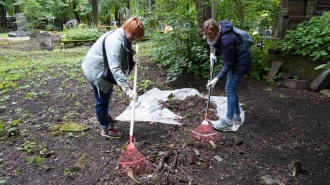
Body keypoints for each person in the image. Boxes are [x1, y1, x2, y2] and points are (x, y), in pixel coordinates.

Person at [81, 17, 145, 138]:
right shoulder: (115, 40)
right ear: (126, 28)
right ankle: (105, 129)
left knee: (107, 92)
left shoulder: (122, 36)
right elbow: (114, 68)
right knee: (101, 99)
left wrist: (132, 60)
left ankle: (104, 115)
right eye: (133, 34)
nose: (135, 38)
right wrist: (127, 90)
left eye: (138, 35)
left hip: (105, 69)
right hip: (96, 70)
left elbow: (123, 53)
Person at [204, 19, 252, 130]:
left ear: (216, 30)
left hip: (241, 63)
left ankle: (228, 121)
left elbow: (228, 63)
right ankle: (236, 117)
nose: (208, 36)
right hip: (236, 61)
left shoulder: (226, 39)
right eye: (206, 33)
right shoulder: (220, 33)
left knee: (229, 89)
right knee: (231, 89)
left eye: (210, 33)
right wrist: (214, 53)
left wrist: (216, 79)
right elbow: (220, 47)